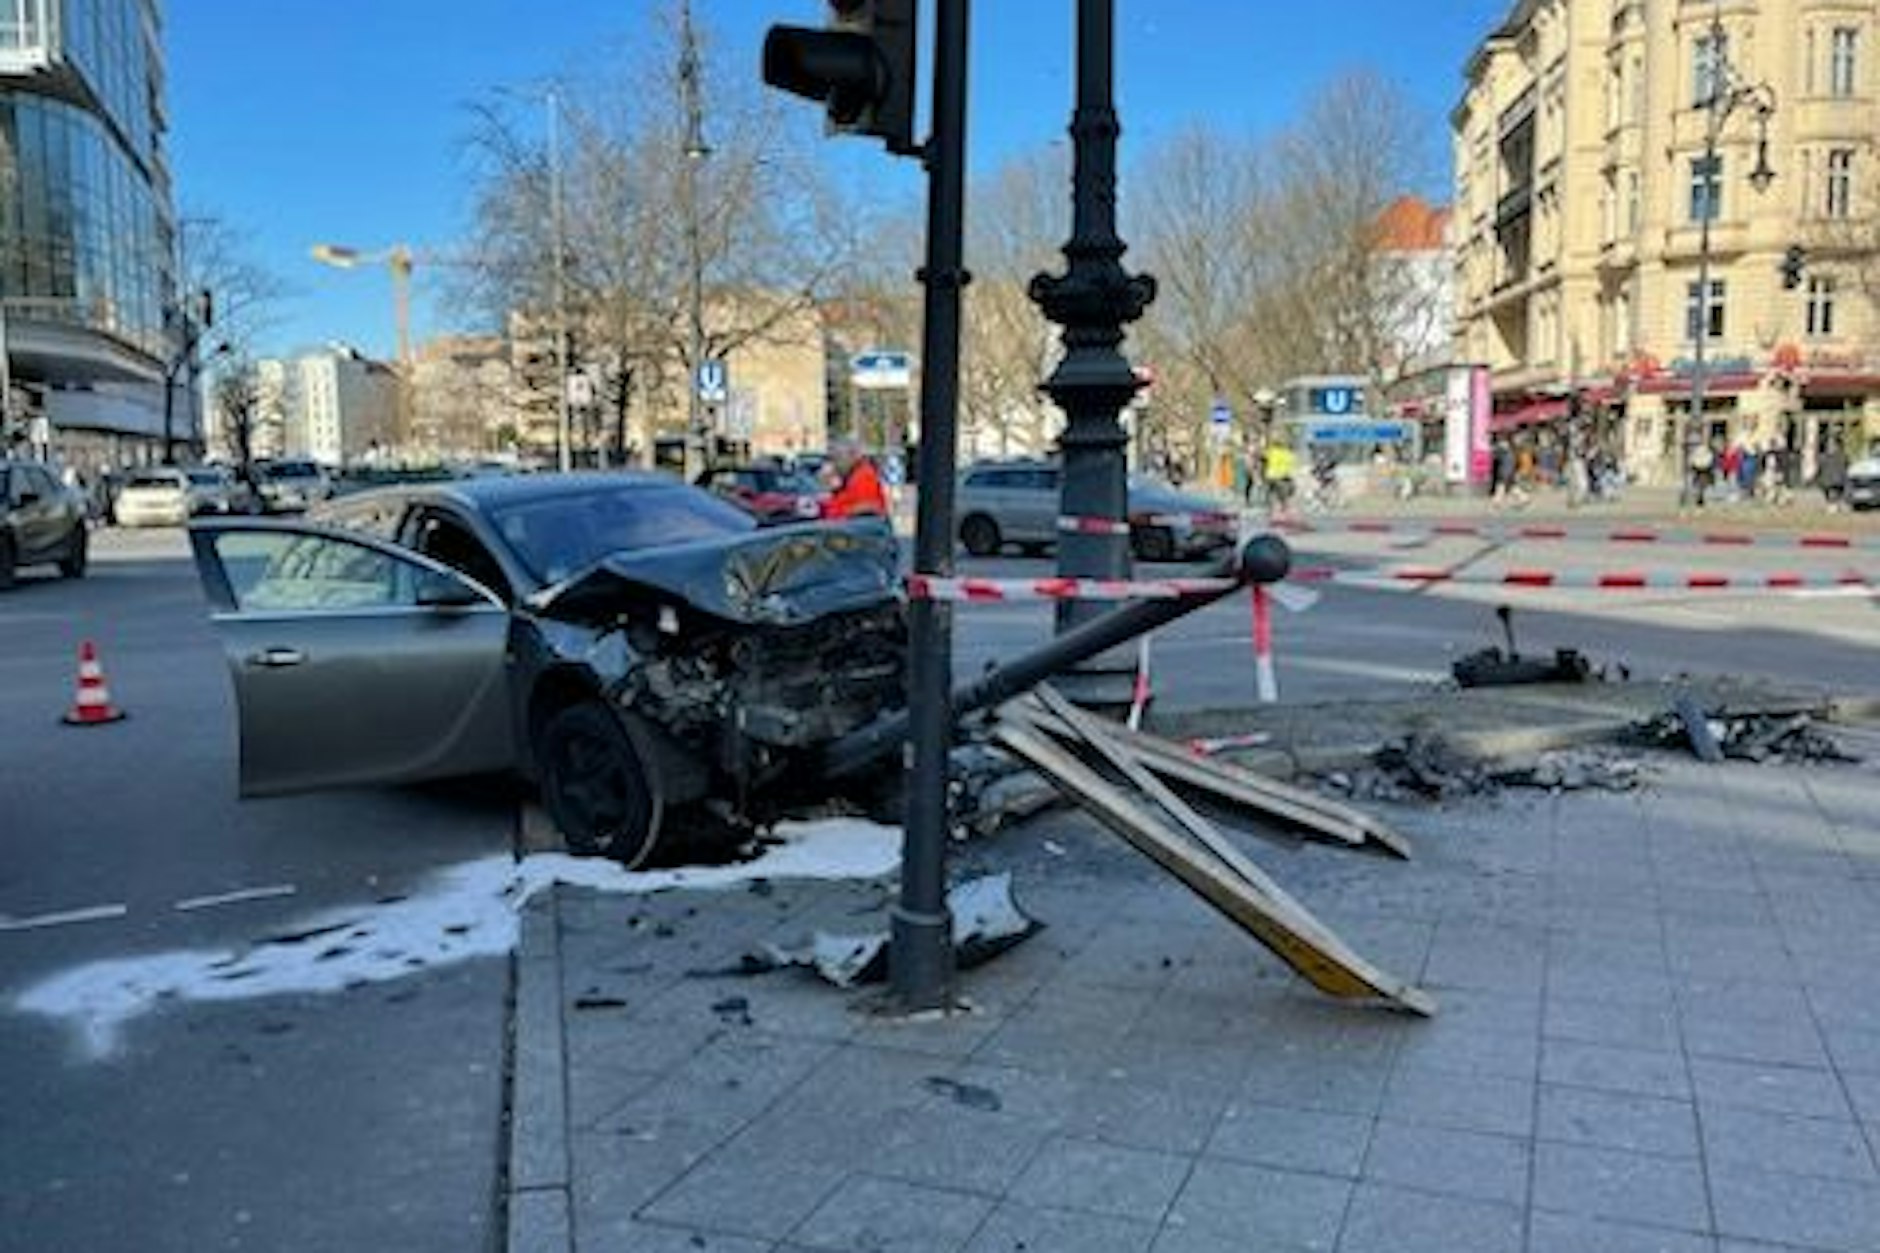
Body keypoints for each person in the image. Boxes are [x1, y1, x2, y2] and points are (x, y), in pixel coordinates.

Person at [821, 437, 889, 520]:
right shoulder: (852, 475)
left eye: (838, 457)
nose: (835, 464)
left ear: (853, 455)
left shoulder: (864, 475)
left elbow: (867, 509)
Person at [1262, 439, 1298, 519]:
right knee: (1284, 495)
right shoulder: (1288, 453)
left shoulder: (1271, 452)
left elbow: (1263, 458)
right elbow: (1292, 464)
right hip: (1282, 477)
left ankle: (1271, 511)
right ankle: (1284, 511)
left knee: (1271, 493)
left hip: (1271, 476)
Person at [1818, 438, 1850, 511]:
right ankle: (1833, 504)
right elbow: (1821, 468)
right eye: (1829, 445)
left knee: (1835, 493)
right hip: (1829, 480)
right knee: (1831, 493)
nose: (1830, 446)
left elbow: (1846, 466)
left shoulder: (1841, 456)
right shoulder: (1823, 456)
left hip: (1837, 480)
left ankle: (1835, 505)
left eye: (1832, 444)